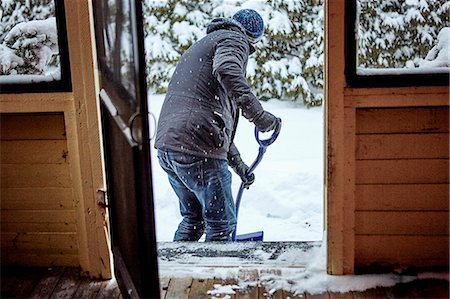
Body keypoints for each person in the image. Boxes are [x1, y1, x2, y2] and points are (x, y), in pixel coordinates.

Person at [155, 8, 281, 241]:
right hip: (196, 146)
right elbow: (227, 70)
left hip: (169, 146)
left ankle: (177, 272)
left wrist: (240, 166)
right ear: (252, 38)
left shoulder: (206, 44)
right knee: (221, 224)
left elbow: (215, 127)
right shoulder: (234, 39)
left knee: (194, 220)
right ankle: (215, 277)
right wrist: (258, 115)